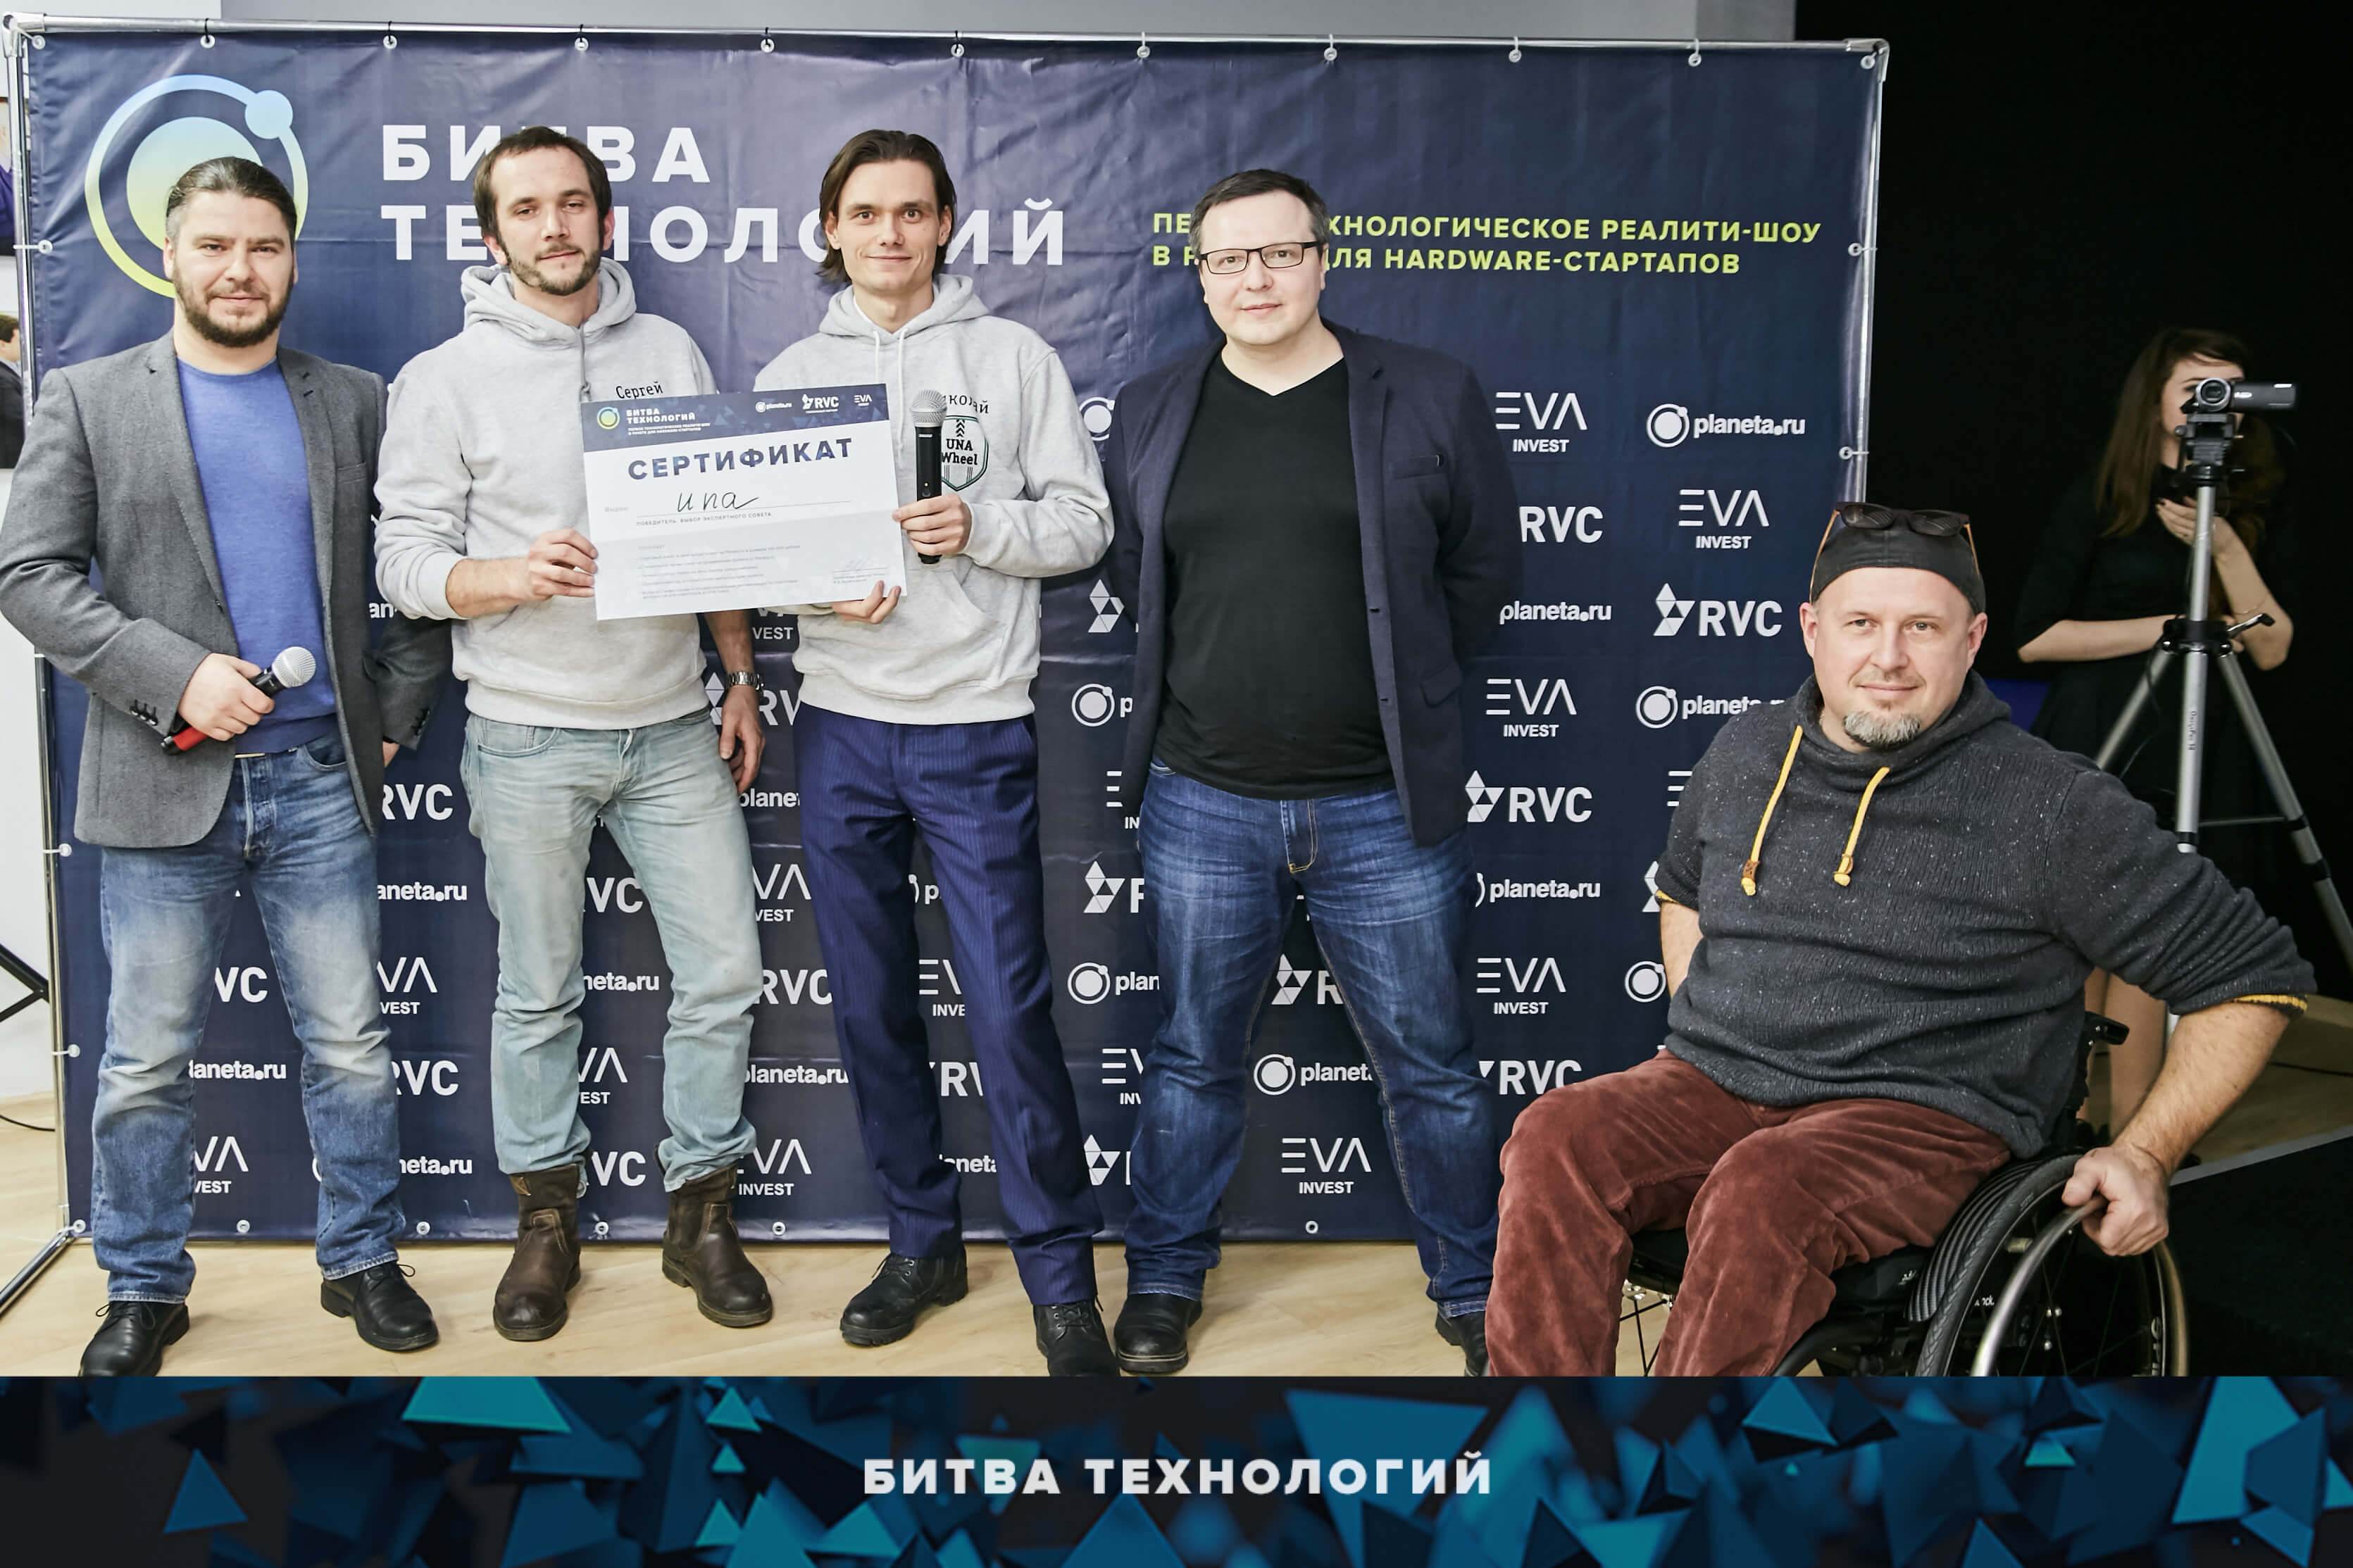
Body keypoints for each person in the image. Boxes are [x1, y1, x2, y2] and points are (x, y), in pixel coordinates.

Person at [1487, 504, 2312, 1376]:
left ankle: (1676, 1458)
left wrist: (2144, 1153)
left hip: (1922, 1117)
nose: (1887, 657)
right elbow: (1682, 888)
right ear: (1811, 631)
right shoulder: (1746, 751)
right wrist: (1707, 1024)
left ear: (1971, 639)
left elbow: (2252, 978)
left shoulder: (2052, 807)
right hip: (1716, 1086)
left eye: (1921, 627)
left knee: (1764, 1187)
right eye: (1860, 624)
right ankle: (1540, 1439)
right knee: (1555, 1136)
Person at [0, 157, 451, 1374]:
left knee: (352, 1045)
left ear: (293, 258)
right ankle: (142, 1285)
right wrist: (175, 673)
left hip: (322, 788)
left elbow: (416, 567)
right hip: (160, 783)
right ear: (170, 256)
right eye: (214, 245)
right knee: (144, 1062)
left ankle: (363, 1259)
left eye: (263, 245)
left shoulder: (354, 400)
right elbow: (28, 575)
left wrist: (392, 713)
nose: (240, 269)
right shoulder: (87, 398)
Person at [1101, 168, 1521, 1376]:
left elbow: (1483, 572)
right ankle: (1164, 1280)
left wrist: (1393, 680)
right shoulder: (1153, 404)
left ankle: (1474, 1286)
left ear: (1323, 261)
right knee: (1192, 1055)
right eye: (1230, 259)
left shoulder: (1428, 393)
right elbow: (1136, 573)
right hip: (1202, 797)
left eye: (1281, 253)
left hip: (1383, 801)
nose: (1257, 279)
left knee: (1431, 1065)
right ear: (1200, 276)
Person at [373, 127, 772, 1341]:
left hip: (672, 726)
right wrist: (509, 574)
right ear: (492, 235)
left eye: (573, 203)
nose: (554, 226)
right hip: (526, 736)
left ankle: (701, 1216)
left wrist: (739, 675)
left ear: (604, 219)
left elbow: (716, 527)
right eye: (526, 209)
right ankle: (547, 1222)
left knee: (725, 973)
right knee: (538, 994)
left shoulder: (670, 350)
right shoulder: (444, 377)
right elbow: (402, 563)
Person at [751, 129, 1118, 1376]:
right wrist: (812, 593)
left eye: (911, 212)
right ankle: (922, 1244)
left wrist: (981, 526)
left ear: (946, 223)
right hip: (843, 723)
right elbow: (754, 551)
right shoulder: (796, 372)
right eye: (865, 213)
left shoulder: (1011, 357)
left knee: (1009, 1010)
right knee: (869, 1007)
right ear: (831, 229)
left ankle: (1058, 1276)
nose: (889, 233)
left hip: (974, 719)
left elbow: (1083, 523)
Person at [2016, 327, 2297, 1132]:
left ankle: (2133, 1131)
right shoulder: (2104, 496)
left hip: (2196, 738)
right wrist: (2171, 627)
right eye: (2195, 390)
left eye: (2230, 393)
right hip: (2102, 727)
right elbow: (2033, 637)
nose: (2215, 408)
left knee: (2149, 934)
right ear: (2153, 402)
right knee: (2077, 934)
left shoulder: (2246, 502)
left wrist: (2223, 545)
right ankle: (2058, 1123)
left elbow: (2270, 647)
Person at [1, 313, 25, 467]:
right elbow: (18, 414)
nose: (23, 345)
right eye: (18, 341)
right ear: (3, 345)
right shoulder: (2, 378)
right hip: (9, 459)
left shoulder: (8, 373)